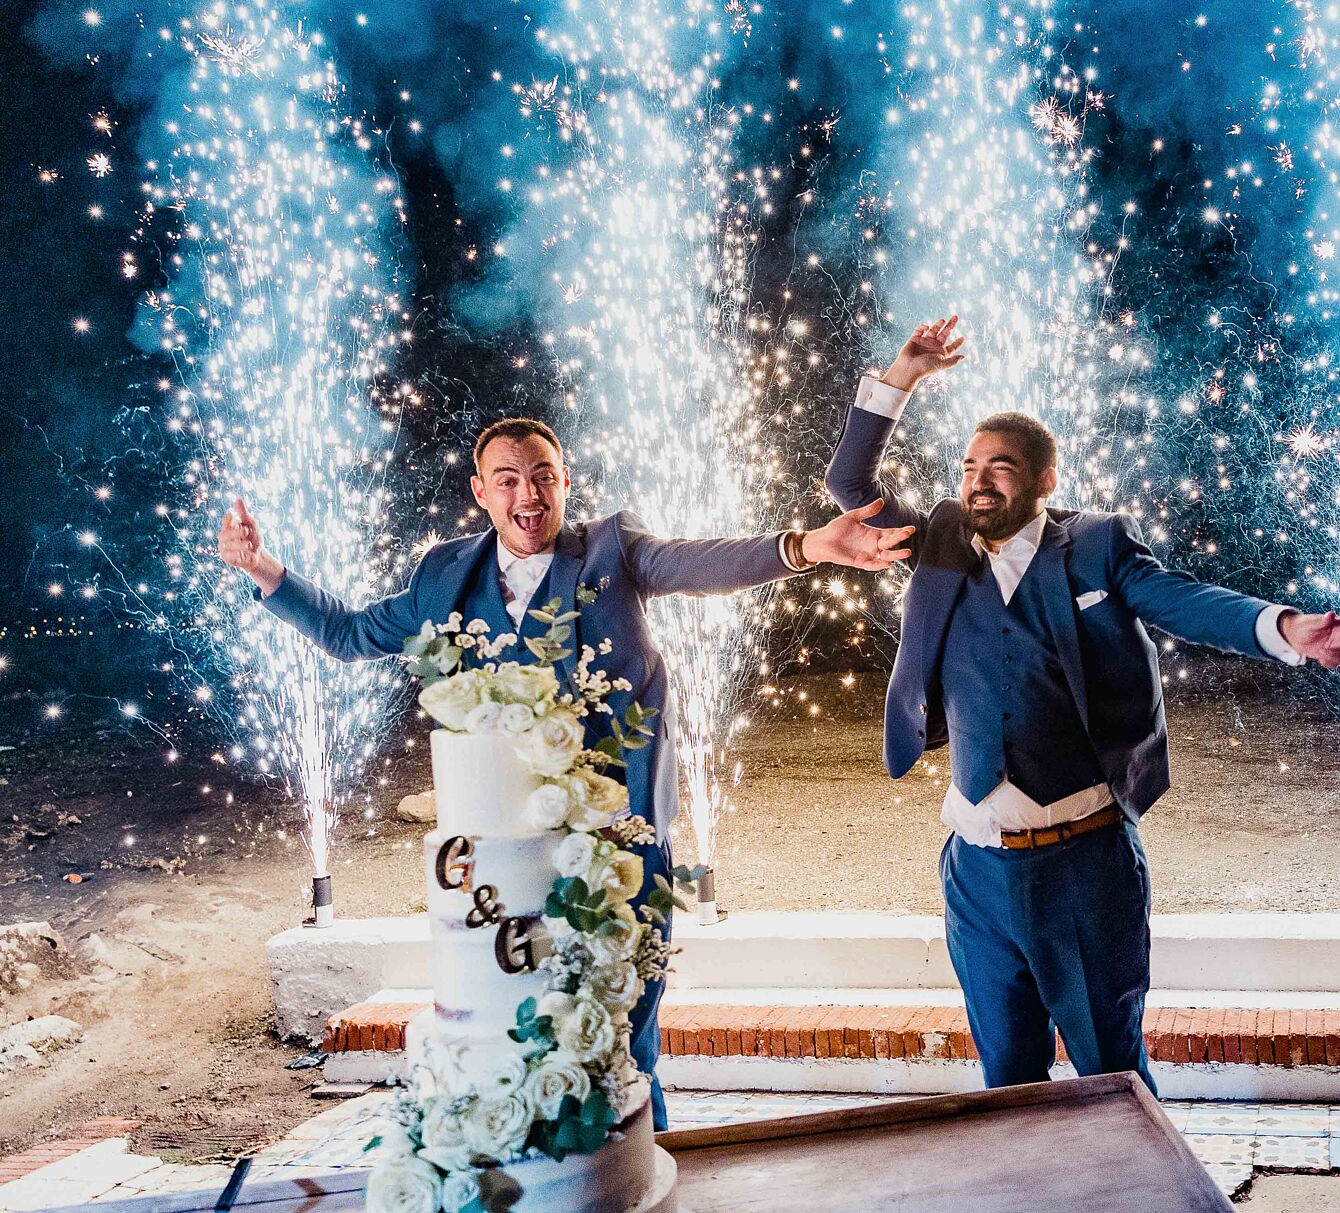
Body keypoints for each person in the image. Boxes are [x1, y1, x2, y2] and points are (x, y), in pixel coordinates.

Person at [219, 416, 913, 1121]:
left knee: (621, 1045)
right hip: (506, 870)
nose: (530, 492)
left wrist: (809, 545)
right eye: (510, 479)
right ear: (481, 493)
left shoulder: (614, 551)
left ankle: (645, 1175)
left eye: (544, 475)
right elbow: (348, 632)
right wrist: (262, 568)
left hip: (618, 854)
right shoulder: (442, 576)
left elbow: (701, 562)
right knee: (526, 1042)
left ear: (565, 481)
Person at [826, 317, 1340, 1093]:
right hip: (975, 875)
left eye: (1002, 466)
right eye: (969, 466)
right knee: (1007, 1081)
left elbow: (1183, 601)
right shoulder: (939, 540)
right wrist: (903, 374)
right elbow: (849, 486)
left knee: (1111, 1075)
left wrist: (1284, 626)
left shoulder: (1095, 545)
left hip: (1084, 867)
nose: (979, 480)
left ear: (1044, 480)